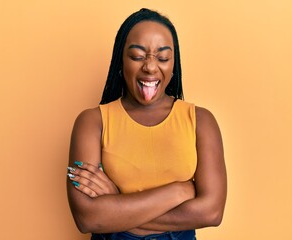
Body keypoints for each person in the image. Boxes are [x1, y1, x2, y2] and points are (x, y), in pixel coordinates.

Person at [67, 8, 227, 240]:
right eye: (137, 56)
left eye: (162, 58)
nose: (150, 67)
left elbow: (212, 212)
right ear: (120, 62)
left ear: (174, 65)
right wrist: (180, 191)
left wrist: (117, 204)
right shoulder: (92, 122)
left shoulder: (200, 120)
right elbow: (88, 218)